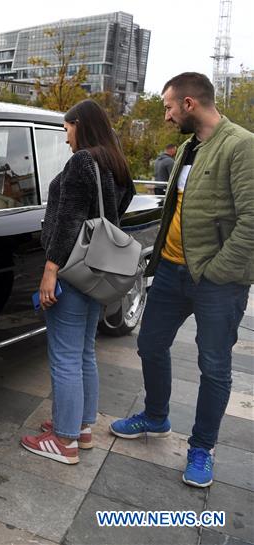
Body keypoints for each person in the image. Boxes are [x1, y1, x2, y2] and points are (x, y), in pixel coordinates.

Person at [110, 72, 253, 488]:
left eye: (170, 107)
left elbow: (251, 220)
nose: (168, 116)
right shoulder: (190, 148)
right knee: (150, 344)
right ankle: (156, 418)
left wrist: (215, 271)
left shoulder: (241, 145)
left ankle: (202, 447)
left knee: (214, 366)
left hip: (217, 281)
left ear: (190, 104)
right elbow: (176, 208)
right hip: (171, 271)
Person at [21, 99, 135, 464]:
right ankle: (82, 428)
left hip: (72, 270)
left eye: (67, 128)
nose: (65, 136)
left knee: (65, 357)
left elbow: (70, 219)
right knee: (84, 352)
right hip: (97, 272)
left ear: (80, 125)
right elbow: (123, 203)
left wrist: (49, 272)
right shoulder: (114, 162)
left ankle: (64, 440)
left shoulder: (82, 161)